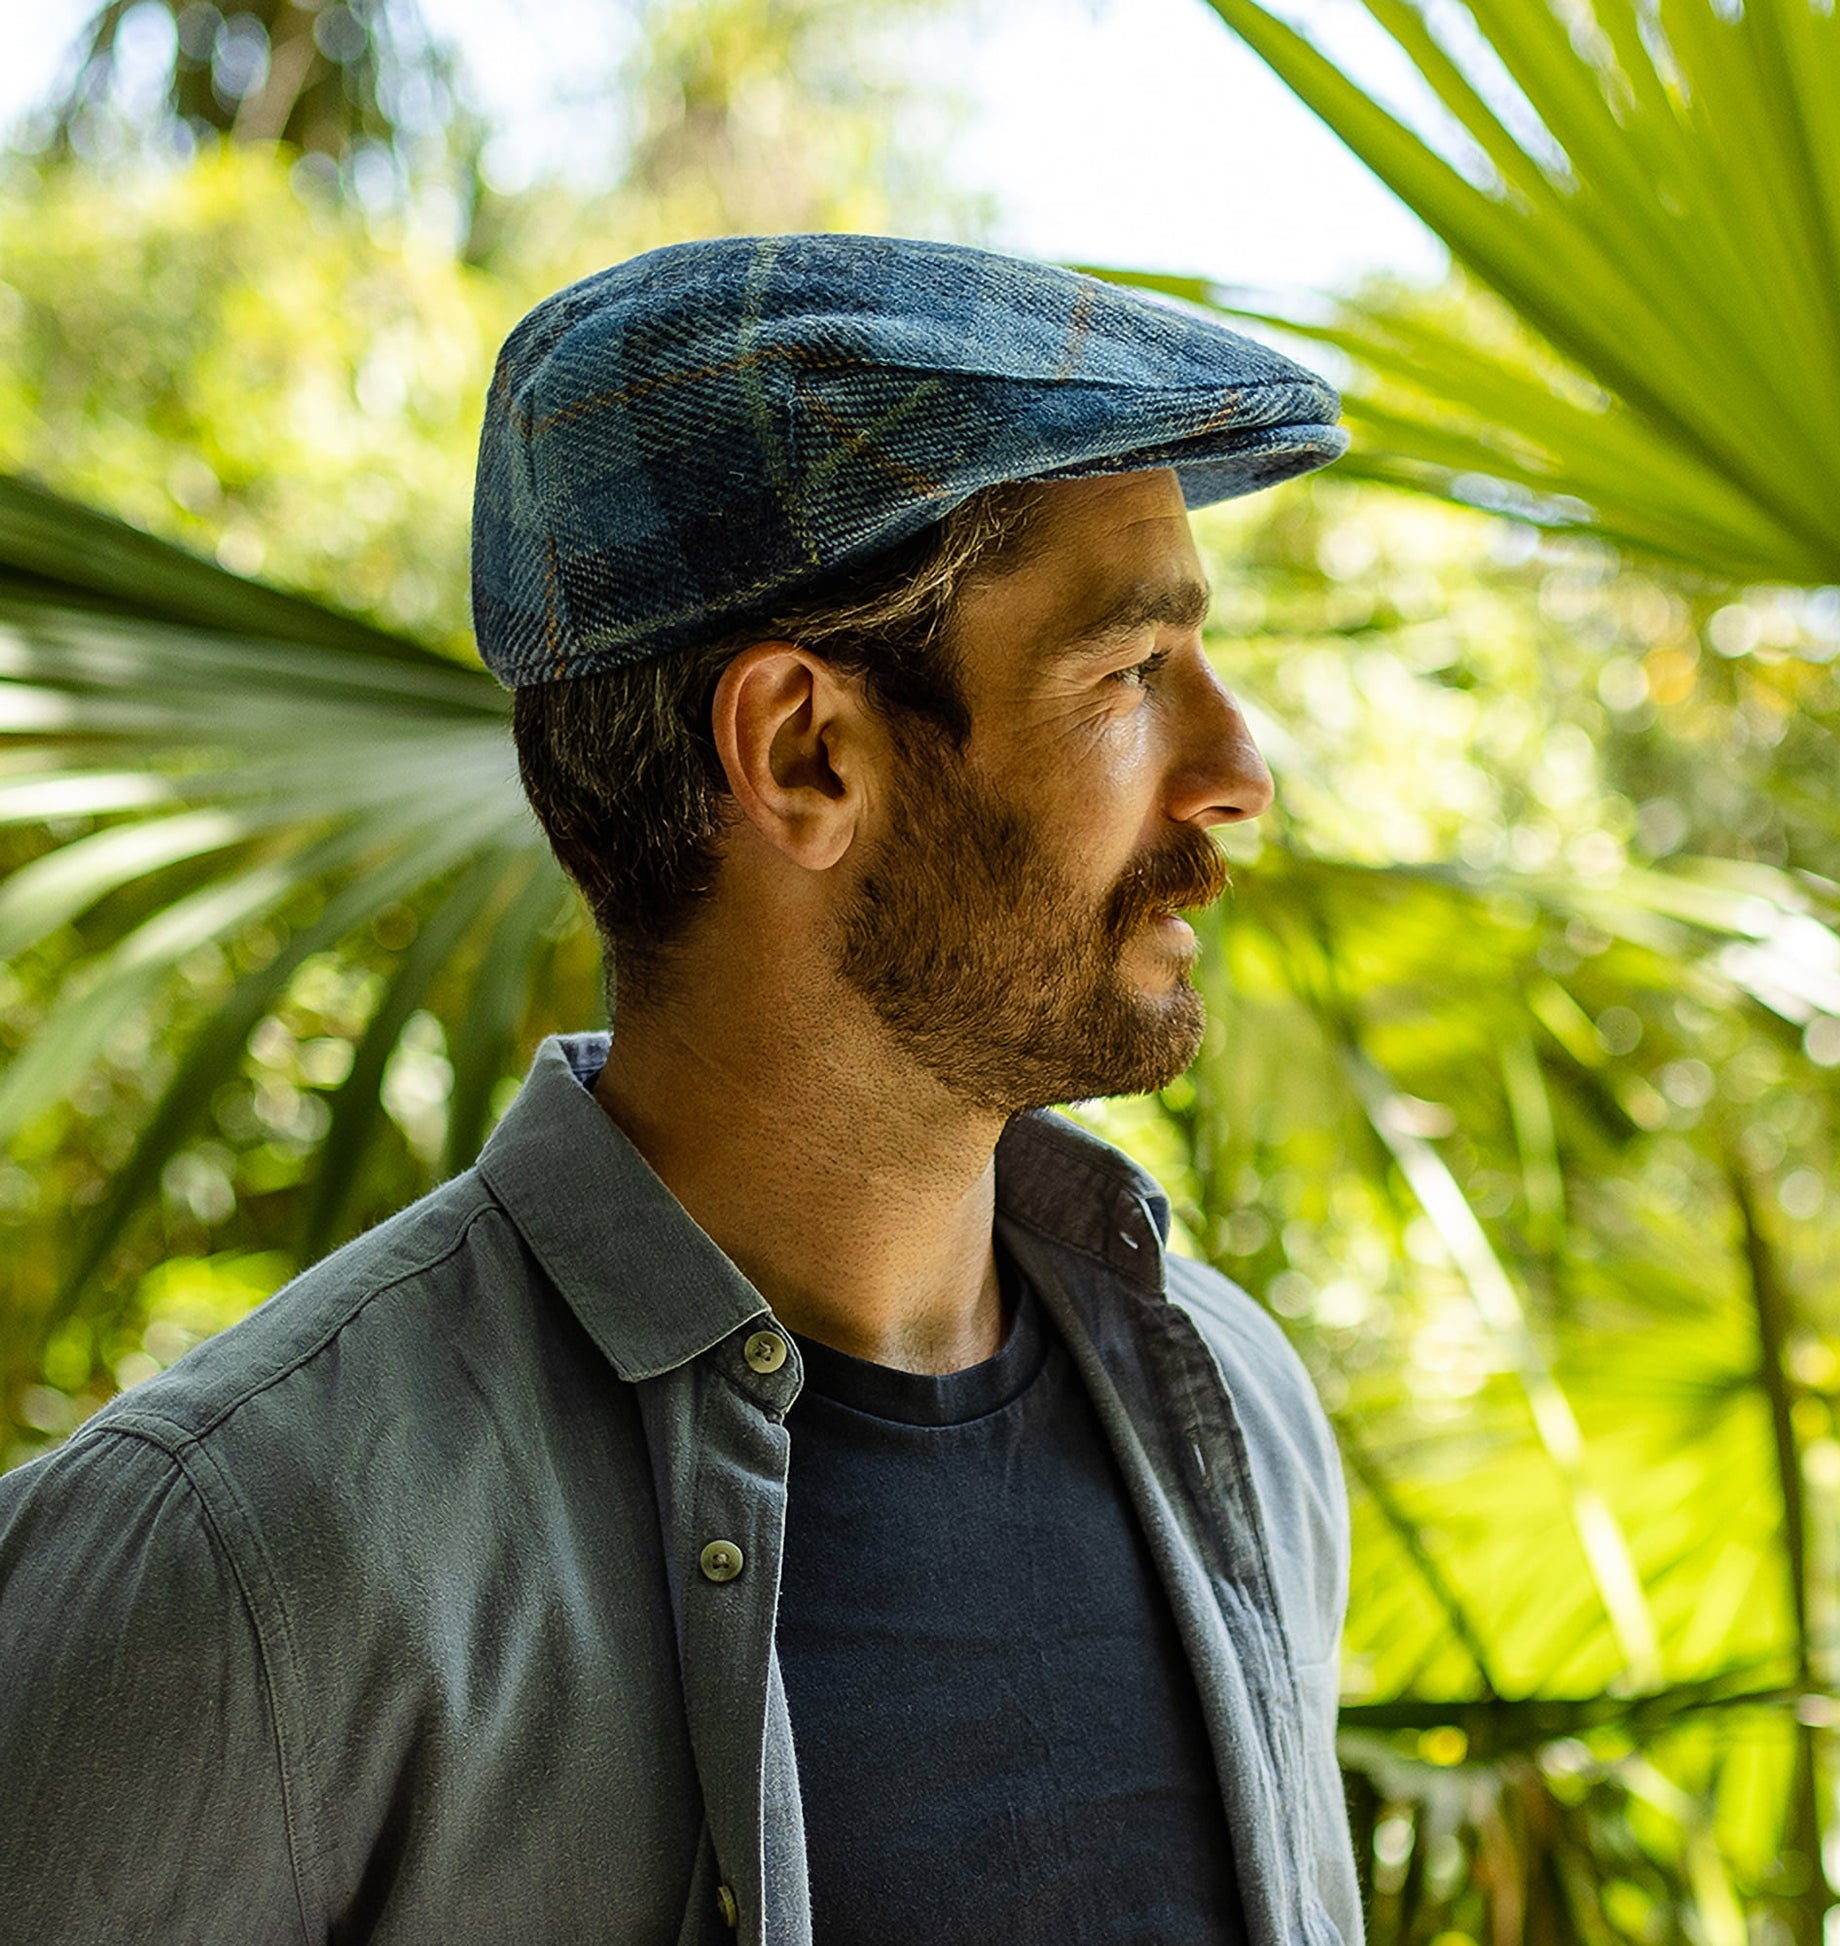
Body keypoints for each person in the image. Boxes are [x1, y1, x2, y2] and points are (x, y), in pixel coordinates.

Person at [0, 234, 1360, 1945]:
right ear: (803, 750)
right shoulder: (229, 1560)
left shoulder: (1230, 1403)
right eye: (1130, 671)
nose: (1236, 772)